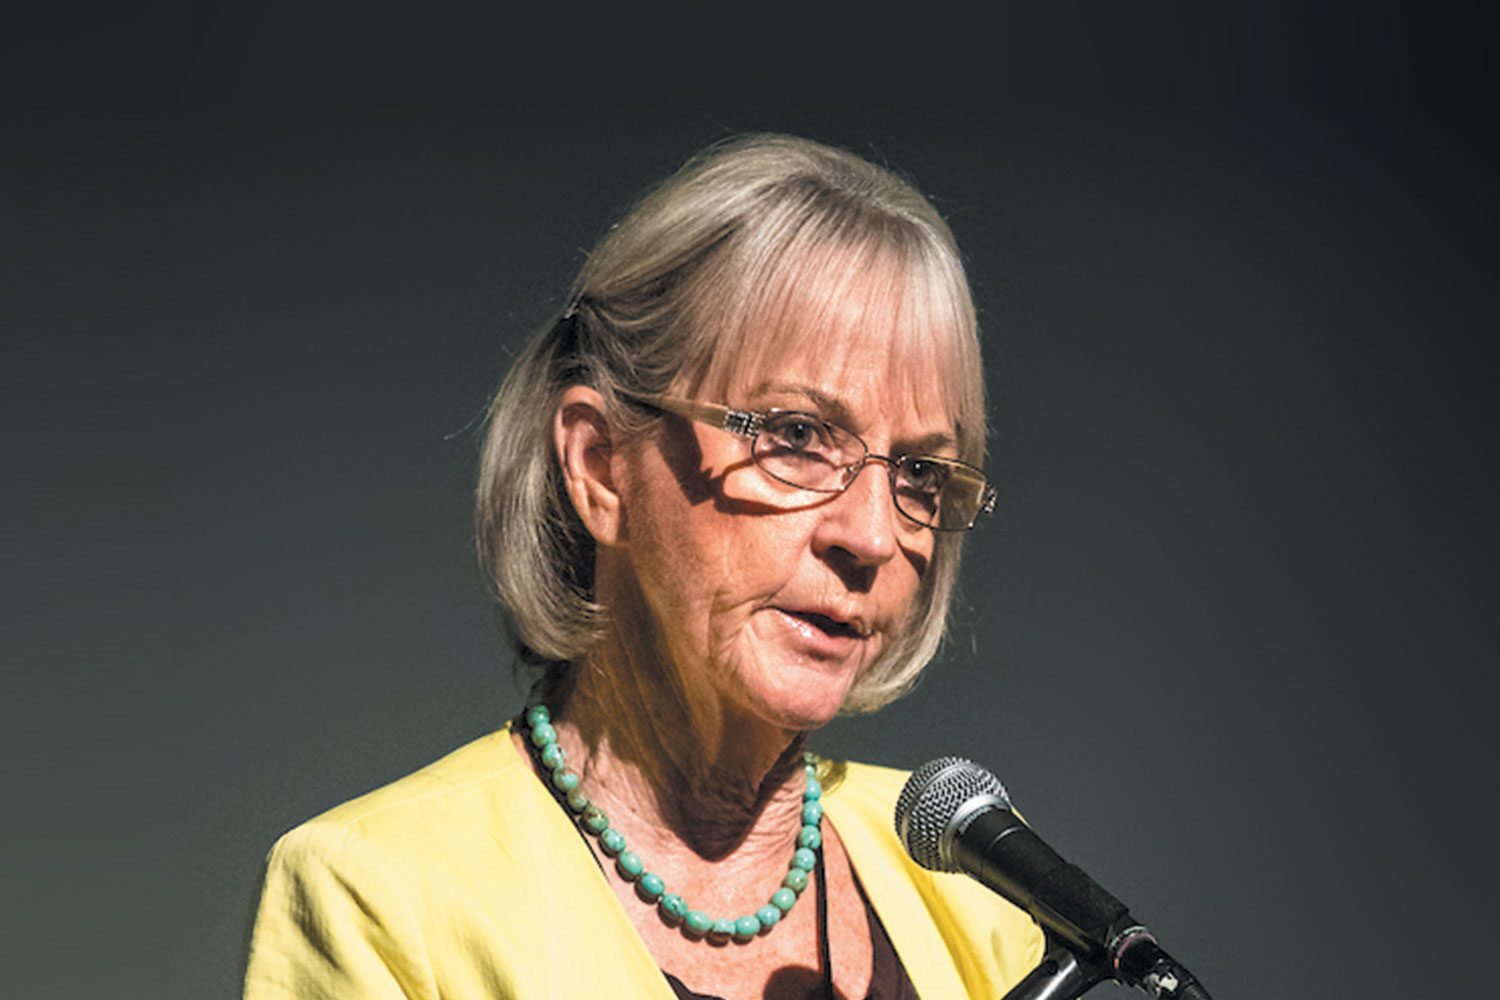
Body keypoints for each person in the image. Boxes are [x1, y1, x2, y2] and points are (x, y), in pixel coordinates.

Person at [242, 134, 1044, 999]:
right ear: (599, 467)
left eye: (920, 473)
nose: (874, 537)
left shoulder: (973, 879)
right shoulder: (385, 898)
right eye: (797, 437)